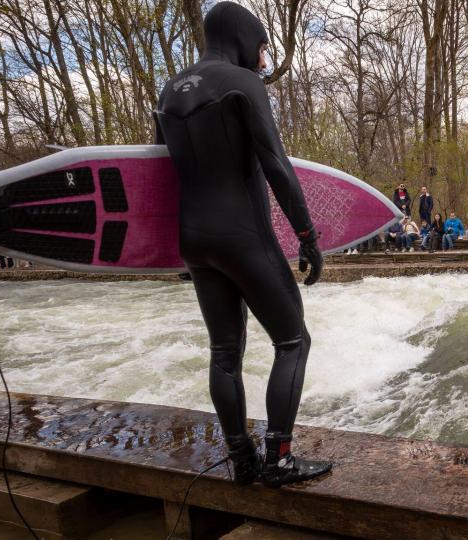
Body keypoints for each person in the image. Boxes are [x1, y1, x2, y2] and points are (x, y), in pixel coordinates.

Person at [154, 1, 330, 486]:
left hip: (195, 241)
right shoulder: (242, 83)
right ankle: (279, 459)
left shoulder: (169, 91)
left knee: (224, 353)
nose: (264, 59)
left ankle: (241, 460)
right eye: (262, 47)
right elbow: (276, 163)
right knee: (293, 341)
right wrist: (307, 236)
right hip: (242, 234)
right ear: (242, 37)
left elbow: (157, 175)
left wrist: (171, 253)